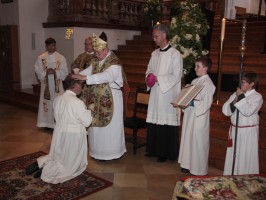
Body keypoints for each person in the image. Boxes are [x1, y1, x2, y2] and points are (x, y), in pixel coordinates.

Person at [25, 75, 92, 184]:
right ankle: (48, 171)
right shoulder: (78, 103)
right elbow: (87, 122)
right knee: (70, 161)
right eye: (81, 85)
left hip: (60, 132)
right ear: (75, 86)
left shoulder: (58, 99)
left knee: (58, 154)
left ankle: (40, 163)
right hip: (73, 135)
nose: (81, 88)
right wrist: (89, 111)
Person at [71, 33, 126, 161]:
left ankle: (112, 153)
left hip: (111, 97)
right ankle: (97, 152)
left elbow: (107, 76)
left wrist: (85, 78)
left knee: (109, 128)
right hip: (97, 97)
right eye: (95, 52)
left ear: (105, 49)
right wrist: (76, 76)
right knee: (95, 125)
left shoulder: (114, 62)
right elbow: (89, 70)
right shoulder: (97, 59)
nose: (96, 55)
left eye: (98, 52)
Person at [145, 23, 183, 162]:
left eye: (156, 36)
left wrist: (158, 79)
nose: (154, 39)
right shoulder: (154, 54)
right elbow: (149, 69)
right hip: (155, 93)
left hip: (167, 94)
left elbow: (176, 75)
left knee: (165, 123)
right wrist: (149, 77)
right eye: (154, 36)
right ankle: (153, 149)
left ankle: (165, 152)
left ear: (164, 35)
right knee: (155, 121)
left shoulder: (175, 54)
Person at [178, 56, 216, 175]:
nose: (195, 68)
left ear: (205, 68)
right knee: (188, 139)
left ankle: (198, 168)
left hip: (199, 117)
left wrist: (192, 102)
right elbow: (187, 99)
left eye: (197, 66)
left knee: (198, 142)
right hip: (190, 115)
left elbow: (206, 104)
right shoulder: (194, 81)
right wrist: (183, 101)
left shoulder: (208, 83)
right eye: (195, 66)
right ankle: (187, 164)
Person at [222, 72, 263, 175]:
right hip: (235, 130)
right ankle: (231, 176)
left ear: (252, 84)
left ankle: (244, 178)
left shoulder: (257, 97)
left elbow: (248, 111)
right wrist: (235, 100)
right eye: (241, 81)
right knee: (233, 155)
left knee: (244, 156)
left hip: (247, 132)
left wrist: (240, 97)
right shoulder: (236, 94)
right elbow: (225, 110)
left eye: (244, 82)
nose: (241, 84)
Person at [35, 37, 68, 129]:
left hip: (57, 84)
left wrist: (55, 72)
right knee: (47, 103)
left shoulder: (61, 58)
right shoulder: (41, 58)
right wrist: (46, 73)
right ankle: (46, 123)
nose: (53, 47)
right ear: (47, 46)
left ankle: (58, 122)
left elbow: (65, 72)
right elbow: (37, 70)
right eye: (50, 45)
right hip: (46, 84)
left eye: (54, 45)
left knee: (57, 102)